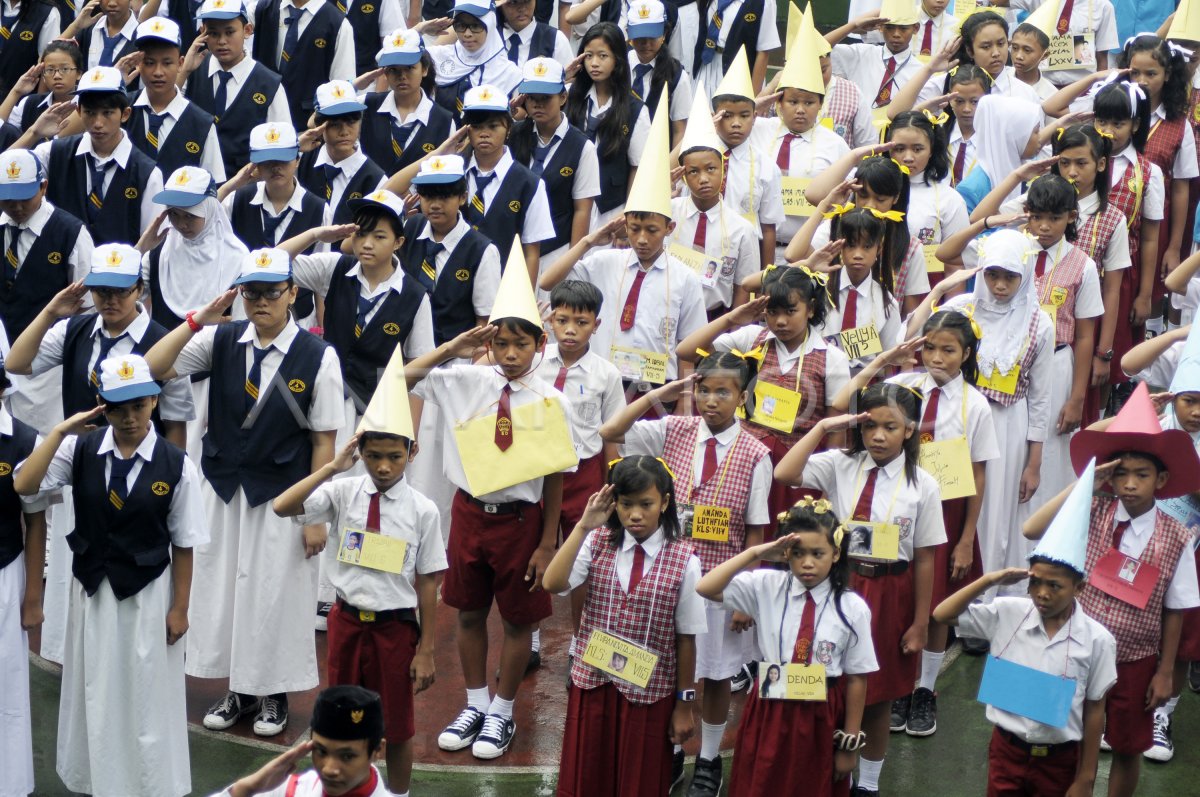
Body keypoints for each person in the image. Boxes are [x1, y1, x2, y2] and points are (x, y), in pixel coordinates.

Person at [144, 248, 344, 738]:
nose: (260, 301)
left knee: (275, 593)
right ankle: (238, 688)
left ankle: (273, 693)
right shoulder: (221, 339)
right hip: (224, 487)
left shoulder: (319, 356)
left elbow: (324, 440)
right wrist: (198, 320)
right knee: (227, 591)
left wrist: (315, 512)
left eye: (271, 291)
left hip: (281, 496)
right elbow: (154, 366)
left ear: (293, 294)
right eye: (250, 292)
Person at [402, 252, 579, 761]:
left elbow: (554, 477)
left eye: (521, 343)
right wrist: (454, 347)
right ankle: (475, 702)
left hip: (521, 523)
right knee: (470, 613)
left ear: (539, 345)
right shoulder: (466, 381)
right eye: (500, 342)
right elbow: (402, 378)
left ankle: (502, 708)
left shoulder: (552, 402)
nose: (509, 353)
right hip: (470, 514)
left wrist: (548, 543)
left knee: (520, 621)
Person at [14, 353, 206, 797]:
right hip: (95, 590)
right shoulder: (79, 449)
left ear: (154, 402)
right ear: (101, 405)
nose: (129, 417)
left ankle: (150, 783)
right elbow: (25, 486)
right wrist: (62, 430)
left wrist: (180, 608)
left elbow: (185, 542)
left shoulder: (177, 465)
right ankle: (96, 779)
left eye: (138, 405)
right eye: (117, 407)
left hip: (147, 595)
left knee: (147, 692)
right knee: (96, 688)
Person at [272, 349, 446, 796]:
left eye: (393, 456)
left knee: (399, 726)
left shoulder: (423, 511)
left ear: (412, 450)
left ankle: (398, 794)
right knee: (341, 718)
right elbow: (282, 506)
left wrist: (426, 647)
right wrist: (332, 466)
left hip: (395, 630)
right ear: (360, 451)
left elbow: (428, 580)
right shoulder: (343, 492)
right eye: (373, 455)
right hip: (347, 623)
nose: (383, 466)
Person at [600, 351, 771, 797]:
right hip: (666, 577)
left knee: (715, 675)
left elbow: (755, 531)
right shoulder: (673, 429)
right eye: (704, 390)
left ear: (743, 396)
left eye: (723, 392)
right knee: (667, 667)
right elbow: (611, 431)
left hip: (720, 585)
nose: (711, 400)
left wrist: (744, 596)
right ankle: (673, 749)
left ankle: (709, 758)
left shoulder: (757, 454)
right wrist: (661, 394)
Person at [1024, 383, 1200, 797]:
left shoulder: (1177, 536)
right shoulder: (1093, 510)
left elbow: (1175, 609)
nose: (1130, 484)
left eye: (1142, 474)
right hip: (1072, 650)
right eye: (1120, 472)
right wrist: (1087, 482)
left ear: (1163, 479)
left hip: (1135, 659)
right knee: (1058, 736)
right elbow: (1032, 529)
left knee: (1127, 746)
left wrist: (1163, 672)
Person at [774, 382, 946, 797]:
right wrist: (825, 427)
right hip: (838, 586)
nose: (879, 436)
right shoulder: (840, 463)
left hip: (891, 593)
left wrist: (920, 622)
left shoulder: (923, 484)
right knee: (828, 683)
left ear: (909, 430)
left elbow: (924, 557)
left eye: (890, 427)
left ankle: (866, 785)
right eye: (870, 426)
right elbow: (785, 473)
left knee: (878, 695)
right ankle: (823, 775)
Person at [834, 307, 999, 737]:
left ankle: (925, 689)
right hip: (897, 507)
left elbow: (979, 474)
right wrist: (890, 359)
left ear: (966, 354)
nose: (937, 357)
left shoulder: (976, 405)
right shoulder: (901, 386)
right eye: (929, 347)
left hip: (947, 509)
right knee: (900, 597)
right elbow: (849, 398)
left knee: (938, 604)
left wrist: (966, 538)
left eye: (949, 350)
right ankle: (899, 686)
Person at [934, 461, 1117, 797]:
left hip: (1060, 761)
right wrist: (989, 580)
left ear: (1080, 588)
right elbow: (943, 614)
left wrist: (1086, 778)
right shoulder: (1008, 612)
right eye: (1036, 584)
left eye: (1056, 586)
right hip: (1006, 751)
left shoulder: (1097, 640)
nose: (1043, 594)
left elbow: (1095, 708)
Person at [542, 457, 703, 797]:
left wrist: (684, 705)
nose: (635, 514)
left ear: (665, 503)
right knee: (587, 780)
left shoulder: (685, 559)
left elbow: (686, 639)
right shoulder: (597, 541)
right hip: (594, 684)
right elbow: (553, 583)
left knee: (637, 783)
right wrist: (584, 525)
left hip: (649, 693)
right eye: (626, 504)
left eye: (646, 504)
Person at [697, 497, 877, 797]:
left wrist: (849, 742)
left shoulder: (852, 607)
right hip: (769, 710)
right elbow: (706, 587)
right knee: (762, 783)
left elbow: (858, 677)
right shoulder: (766, 584)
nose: (807, 562)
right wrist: (756, 552)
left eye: (818, 553)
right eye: (798, 553)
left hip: (821, 713)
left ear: (835, 554)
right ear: (785, 553)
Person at [539, 97, 705, 408]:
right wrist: (588, 242)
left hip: (656, 387)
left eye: (652, 231)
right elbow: (548, 281)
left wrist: (684, 403)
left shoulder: (685, 278)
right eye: (634, 229)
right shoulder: (605, 262)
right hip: (603, 382)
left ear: (669, 230)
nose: (641, 239)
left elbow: (688, 347)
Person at [917, 230, 1054, 595]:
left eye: (1010, 276)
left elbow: (1041, 396)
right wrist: (937, 292)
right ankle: (939, 594)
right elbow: (914, 336)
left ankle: (981, 601)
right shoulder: (960, 308)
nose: (1000, 285)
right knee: (949, 502)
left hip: (1008, 424)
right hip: (954, 419)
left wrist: (1034, 461)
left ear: (1024, 275)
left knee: (993, 512)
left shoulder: (1040, 323)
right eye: (992, 274)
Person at [964, 171, 1103, 506]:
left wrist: (1077, 398)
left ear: (1071, 217)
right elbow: (952, 252)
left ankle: (1039, 524)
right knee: (1005, 440)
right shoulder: (1009, 251)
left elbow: (1085, 335)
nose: (1044, 227)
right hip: (1006, 361)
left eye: (1054, 219)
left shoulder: (1081, 265)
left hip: (1054, 362)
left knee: (1047, 446)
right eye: (1037, 217)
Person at [680, 265, 850, 522]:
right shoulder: (752, 338)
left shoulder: (832, 358)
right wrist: (731, 319)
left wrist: (827, 491)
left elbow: (835, 430)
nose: (780, 321)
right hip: (743, 462)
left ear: (811, 309)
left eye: (791, 311)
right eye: (772, 312)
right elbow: (686, 351)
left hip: (794, 472)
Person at [21, 66, 165, 247]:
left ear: (125, 114)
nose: (98, 123)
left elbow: (153, 243)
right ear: (79, 111)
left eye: (107, 113)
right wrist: (33, 133)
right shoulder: (53, 153)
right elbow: (9, 173)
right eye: (90, 112)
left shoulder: (148, 173)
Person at [507, 57, 600, 284]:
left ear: (563, 97)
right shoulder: (514, 135)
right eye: (531, 98)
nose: (538, 104)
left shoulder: (582, 146)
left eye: (546, 98)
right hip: (514, 250)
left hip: (555, 252)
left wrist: (572, 262)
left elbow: (582, 209)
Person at [670, 85, 758, 317]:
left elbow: (742, 286)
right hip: (667, 311)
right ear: (683, 176)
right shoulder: (668, 213)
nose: (703, 179)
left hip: (715, 316)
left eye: (711, 169)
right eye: (693, 172)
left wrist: (734, 331)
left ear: (723, 170)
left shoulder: (741, 229)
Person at [208, 685, 393, 797]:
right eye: (320, 751)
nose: (329, 769)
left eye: (347, 756)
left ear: (377, 750)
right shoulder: (291, 789)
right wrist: (248, 787)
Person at [180, 0, 292, 181]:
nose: (222, 41)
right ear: (202, 33)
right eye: (213, 33)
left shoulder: (268, 84)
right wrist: (184, 71)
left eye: (230, 32)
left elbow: (283, 146)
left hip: (246, 190)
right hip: (194, 183)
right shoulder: (194, 71)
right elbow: (169, 112)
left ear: (247, 30)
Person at [0, 365, 46, 797]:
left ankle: (10, 785)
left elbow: (35, 521)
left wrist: (33, 596)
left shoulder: (24, 441)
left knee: (7, 681)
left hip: (5, 573)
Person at [458, 83, 554, 280]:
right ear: (466, 130)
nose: (484, 133)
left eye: (493, 126)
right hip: (455, 288)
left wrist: (523, 304)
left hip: (505, 287)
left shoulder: (530, 184)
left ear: (508, 128)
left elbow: (531, 251)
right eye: (476, 127)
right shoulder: (454, 174)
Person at [140, 165, 247, 333]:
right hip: (161, 353)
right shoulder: (158, 253)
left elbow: (242, 325)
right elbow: (125, 295)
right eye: (174, 214)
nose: (181, 224)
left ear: (209, 209)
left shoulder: (238, 258)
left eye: (190, 216)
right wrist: (140, 249)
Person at [564, 21, 649, 227]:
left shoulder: (635, 109)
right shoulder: (569, 96)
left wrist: (629, 216)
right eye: (588, 56)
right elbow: (532, 112)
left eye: (603, 56)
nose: (594, 63)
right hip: (570, 204)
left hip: (610, 209)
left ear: (617, 60)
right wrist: (563, 78)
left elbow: (637, 167)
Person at [125, 17, 226, 181]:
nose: (158, 72)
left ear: (180, 63)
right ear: (138, 64)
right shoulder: (121, 110)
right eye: (150, 63)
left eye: (167, 63)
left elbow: (214, 185)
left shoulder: (201, 123)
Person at [359, 29, 455, 175]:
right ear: (385, 73)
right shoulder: (366, 105)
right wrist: (354, 84)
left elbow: (448, 173)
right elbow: (316, 122)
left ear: (424, 69)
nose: (402, 76)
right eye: (393, 69)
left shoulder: (443, 121)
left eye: (409, 68)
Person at [250, 0, 356, 129]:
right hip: (259, 127)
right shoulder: (261, 8)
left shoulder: (338, 24)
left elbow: (341, 87)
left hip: (308, 128)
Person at [296, 79, 386, 226]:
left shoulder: (375, 178)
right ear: (319, 126)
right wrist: (295, 147)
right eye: (334, 124)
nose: (344, 132)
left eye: (351, 122)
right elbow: (260, 174)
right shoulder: (302, 159)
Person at [426, 1, 523, 126]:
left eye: (476, 26)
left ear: (490, 24)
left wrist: (510, 112)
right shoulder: (440, 56)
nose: (467, 34)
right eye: (461, 26)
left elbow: (521, 114)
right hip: (441, 142)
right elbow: (397, 54)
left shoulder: (509, 72)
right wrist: (420, 29)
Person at [625, 0, 689, 143]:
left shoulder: (677, 75)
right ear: (629, 33)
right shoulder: (618, 66)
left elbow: (679, 130)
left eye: (652, 37)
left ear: (664, 34)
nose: (646, 44)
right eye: (640, 37)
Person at [1, 40, 85, 134]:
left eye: (64, 69)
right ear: (43, 75)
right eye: (50, 70)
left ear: (79, 73)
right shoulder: (30, 103)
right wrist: (16, 92)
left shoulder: (87, 105)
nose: (57, 76)